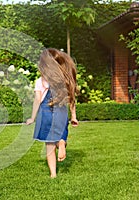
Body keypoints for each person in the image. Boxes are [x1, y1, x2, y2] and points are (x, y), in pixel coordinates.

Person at [26, 48, 79, 178]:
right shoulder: (64, 80)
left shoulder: (40, 81)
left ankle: (53, 174)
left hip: (46, 114)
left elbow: (37, 101)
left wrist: (32, 118)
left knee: (49, 145)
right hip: (61, 114)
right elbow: (71, 99)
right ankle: (61, 142)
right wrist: (73, 116)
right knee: (61, 135)